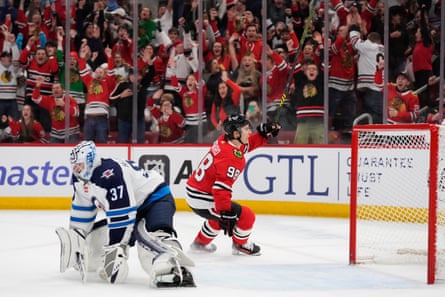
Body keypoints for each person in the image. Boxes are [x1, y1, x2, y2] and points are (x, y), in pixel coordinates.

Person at [55, 140, 195, 287]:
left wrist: (117, 248)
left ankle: (173, 267)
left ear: (91, 161)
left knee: (149, 242)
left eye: (80, 164)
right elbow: (82, 212)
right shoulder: (79, 180)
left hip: (154, 200)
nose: (76, 169)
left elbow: (123, 216)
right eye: (74, 165)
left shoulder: (111, 174)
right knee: (94, 242)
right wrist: (79, 237)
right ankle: (105, 261)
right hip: (132, 207)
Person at [186, 113, 281, 255]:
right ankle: (240, 245)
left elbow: (245, 146)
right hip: (202, 197)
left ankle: (200, 243)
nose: (250, 132)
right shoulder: (231, 157)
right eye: (247, 129)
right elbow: (220, 188)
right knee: (246, 216)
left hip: (196, 191)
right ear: (236, 133)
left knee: (219, 217)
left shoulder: (224, 140)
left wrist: (262, 134)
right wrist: (225, 211)